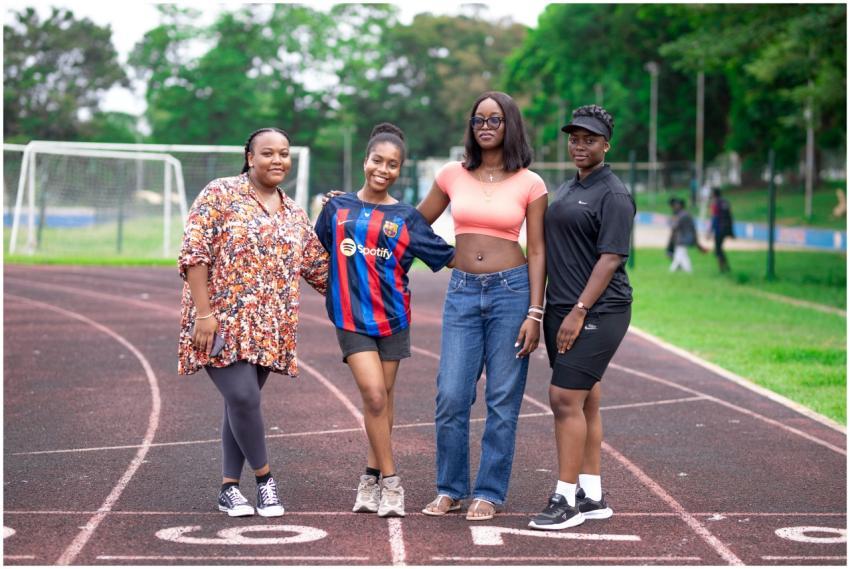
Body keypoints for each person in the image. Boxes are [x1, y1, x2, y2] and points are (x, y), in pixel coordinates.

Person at [178, 127, 329, 518]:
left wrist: (344, 223)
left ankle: (229, 488)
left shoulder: (295, 212)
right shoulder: (221, 194)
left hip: (268, 326)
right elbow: (194, 253)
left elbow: (319, 269)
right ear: (250, 157)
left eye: (283, 153)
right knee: (244, 397)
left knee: (240, 403)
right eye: (268, 153)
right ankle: (265, 482)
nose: (277, 160)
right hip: (219, 320)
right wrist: (204, 314)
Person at [314, 123, 455, 518]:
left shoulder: (407, 218)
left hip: (393, 317)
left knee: (384, 401)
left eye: (393, 164)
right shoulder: (336, 208)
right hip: (350, 317)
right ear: (365, 161)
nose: (384, 169)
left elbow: (445, 255)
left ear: (399, 170)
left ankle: (370, 475)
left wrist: (498, 256)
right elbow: (319, 251)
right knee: (375, 396)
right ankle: (392, 483)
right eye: (378, 160)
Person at [418, 91, 547, 521]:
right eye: (478, 120)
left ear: (511, 124)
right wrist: (444, 256)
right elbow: (415, 225)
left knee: (502, 399)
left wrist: (535, 311)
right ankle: (450, 489)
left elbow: (539, 251)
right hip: (462, 294)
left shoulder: (531, 183)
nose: (486, 126)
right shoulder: (452, 174)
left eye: (495, 119)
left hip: (511, 294)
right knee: (451, 395)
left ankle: (488, 492)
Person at [528, 104, 634, 531]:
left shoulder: (614, 193)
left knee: (563, 399)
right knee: (586, 399)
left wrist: (578, 310)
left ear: (607, 144)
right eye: (574, 138)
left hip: (598, 310)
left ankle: (565, 498)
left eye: (589, 139)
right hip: (560, 308)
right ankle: (592, 495)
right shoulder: (570, 187)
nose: (580, 145)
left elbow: (610, 258)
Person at [667, 197, 705, 273]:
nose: (674, 207)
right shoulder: (685, 214)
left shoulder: (682, 215)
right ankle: (687, 270)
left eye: (676, 205)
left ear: (680, 206)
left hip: (683, 238)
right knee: (682, 255)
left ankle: (673, 270)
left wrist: (671, 221)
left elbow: (674, 226)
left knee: (679, 255)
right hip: (685, 238)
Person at [707, 187, 734, 272]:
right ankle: (726, 266)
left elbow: (714, 218)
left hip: (719, 228)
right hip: (726, 228)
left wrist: (710, 231)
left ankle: (722, 268)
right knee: (719, 249)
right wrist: (731, 230)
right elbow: (730, 216)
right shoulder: (725, 202)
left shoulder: (715, 203)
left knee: (717, 250)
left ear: (714, 194)